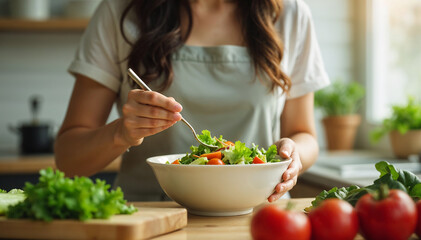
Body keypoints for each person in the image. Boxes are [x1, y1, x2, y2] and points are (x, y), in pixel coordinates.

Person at [55, 0, 329, 202]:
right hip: (150, 216)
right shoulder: (119, 12)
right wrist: (120, 133)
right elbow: (68, 159)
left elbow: (304, 135)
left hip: (262, 217)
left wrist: (293, 156)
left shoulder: (290, 14)